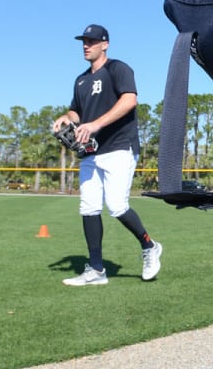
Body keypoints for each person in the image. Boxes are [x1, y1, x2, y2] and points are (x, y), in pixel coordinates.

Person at [50, 24, 162, 286]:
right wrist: (66, 118)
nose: (86, 45)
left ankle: (149, 246)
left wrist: (96, 124)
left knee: (117, 206)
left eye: (91, 41)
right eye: (83, 41)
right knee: (88, 206)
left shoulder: (117, 69)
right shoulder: (80, 80)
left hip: (119, 147)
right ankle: (96, 270)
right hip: (90, 151)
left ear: (105, 44)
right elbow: (77, 112)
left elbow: (129, 100)